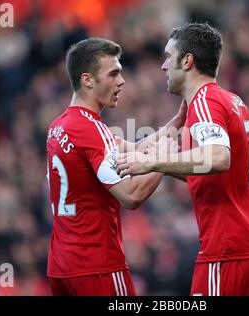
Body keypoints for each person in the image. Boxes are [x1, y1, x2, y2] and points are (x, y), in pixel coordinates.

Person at [116, 23, 249, 296]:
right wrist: (164, 162)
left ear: (187, 61)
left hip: (228, 249)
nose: (163, 66)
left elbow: (218, 158)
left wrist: (154, 164)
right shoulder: (232, 101)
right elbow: (217, 171)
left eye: (169, 57)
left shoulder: (205, 101)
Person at [46, 38, 182, 296]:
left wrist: (175, 123)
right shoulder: (90, 129)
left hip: (62, 266)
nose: (121, 81)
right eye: (114, 73)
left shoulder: (61, 125)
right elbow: (131, 195)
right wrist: (162, 163)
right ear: (88, 80)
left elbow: (134, 148)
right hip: (96, 267)